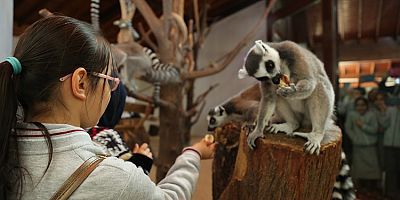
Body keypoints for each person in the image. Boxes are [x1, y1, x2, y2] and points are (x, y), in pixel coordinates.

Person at [0, 15, 216, 200]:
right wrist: (192, 153)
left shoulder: (6, 152)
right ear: (81, 83)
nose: (111, 90)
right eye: (109, 79)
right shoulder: (114, 177)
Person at [345, 97, 380, 191]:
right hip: (358, 146)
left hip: (370, 146)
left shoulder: (372, 115)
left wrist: (363, 126)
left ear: (366, 106)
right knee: (359, 169)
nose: (360, 107)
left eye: (363, 105)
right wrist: (355, 139)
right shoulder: (352, 115)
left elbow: (375, 129)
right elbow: (348, 129)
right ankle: (360, 188)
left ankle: (371, 188)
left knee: (372, 168)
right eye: (358, 105)